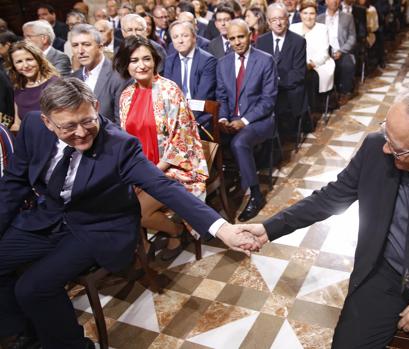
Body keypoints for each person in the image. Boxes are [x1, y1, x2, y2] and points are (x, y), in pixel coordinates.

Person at [240, 79, 409, 348]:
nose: (386, 148)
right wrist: (268, 229)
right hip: (385, 275)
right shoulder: (376, 148)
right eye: (386, 133)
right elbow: (331, 197)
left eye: (397, 149)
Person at [0, 77, 258, 349]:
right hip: (48, 217)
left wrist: (222, 228)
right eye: (68, 126)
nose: (81, 132)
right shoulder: (31, 127)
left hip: (96, 227)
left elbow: (163, 186)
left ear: (96, 106)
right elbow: (14, 182)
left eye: (88, 120)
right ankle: (24, 333)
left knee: (32, 287)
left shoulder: (120, 145)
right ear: (47, 123)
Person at [114, 35, 208, 261]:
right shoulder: (125, 96)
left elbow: (182, 139)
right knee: (116, 200)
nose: (141, 65)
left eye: (146, 59)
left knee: (137, 211)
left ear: (155, 61)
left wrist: (153, 171)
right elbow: (125, 139)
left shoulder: (169, 90)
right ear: (127, 64)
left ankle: (176, 232)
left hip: (175, 166)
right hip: (141, 166)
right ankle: (143, 245)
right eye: (134, 60)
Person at [216, 19, 277, 222]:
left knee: (239, 142)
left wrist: (244, 121)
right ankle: (216, 192)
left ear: (250, 35)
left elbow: (268, 101)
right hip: (231, 120)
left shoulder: (265, 60)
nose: (237, 42)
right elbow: (221, 96)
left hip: (259, 121)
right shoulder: (223, 63)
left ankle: (255, 195)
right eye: (232, 38)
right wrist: (223, 118)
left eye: (240, 36)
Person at [256, 3, 307, 137]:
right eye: (274, 20)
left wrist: (274, 83)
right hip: (266, 90)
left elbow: (298, 73)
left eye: (281, 19)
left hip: (287, 89)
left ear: (287, 19)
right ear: (268, 22)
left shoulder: (298, 41)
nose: (278, 23)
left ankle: (277, 137)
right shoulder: (261, 41)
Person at [70, 24, 129, 124]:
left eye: (86, 44)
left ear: (100, 47)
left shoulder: (120, 77)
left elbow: (122, 124)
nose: (80, 51)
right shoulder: (73, 78)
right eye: (75, 45)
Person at [163, 20, 217, 127]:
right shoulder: (170, 61)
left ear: (194, 38)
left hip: (201, 114)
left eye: (185, 36)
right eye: (175, 37)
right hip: (175, 115)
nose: (180, 41)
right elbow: (168, 94)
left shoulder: (207, 61)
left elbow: (202, 96)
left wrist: (184, 120)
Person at [290, 0, 335, 110]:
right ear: (300, 14)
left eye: (312, 13)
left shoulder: (322, 28)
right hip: (298, 65)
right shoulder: (293, 28)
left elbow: (324, 54)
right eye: (305, 13)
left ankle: (309, 111)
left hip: (319, 65)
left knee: (309, 77)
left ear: (316, 15)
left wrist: (309, 65)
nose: (308, 17)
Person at [5, 41, 59, 132]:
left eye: (29, 59)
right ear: (13, 66)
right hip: (27, 138)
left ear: (38, 59)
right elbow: (17, 123)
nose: (25, 65)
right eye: (19, 62)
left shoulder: (54, 84)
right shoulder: (18, 87)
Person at [318, 0, 356, 105]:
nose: (334, 2)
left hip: (342, 50)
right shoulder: (319, 19)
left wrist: (341, 50)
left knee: (347, 65)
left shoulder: (348, 17)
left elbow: (352, 37)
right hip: (324, 53)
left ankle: (344, 92)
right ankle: (325, 96)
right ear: (325, 1)